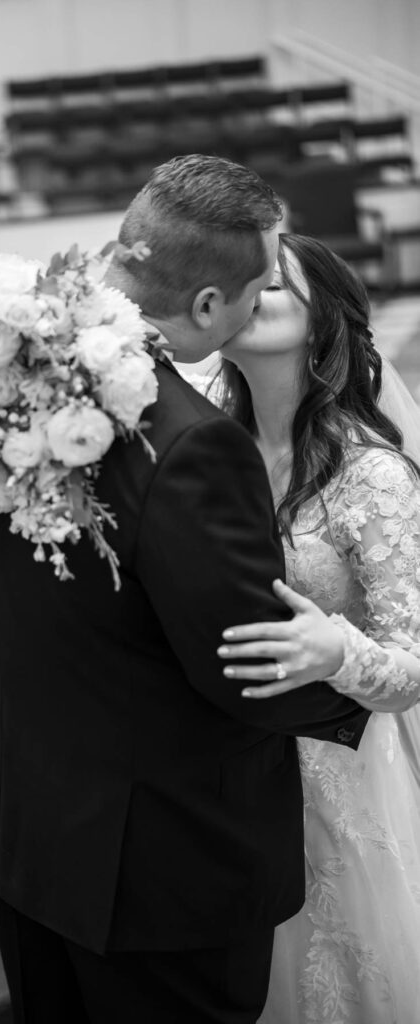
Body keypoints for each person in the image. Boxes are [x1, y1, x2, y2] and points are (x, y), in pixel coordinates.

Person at [0, 156, 369, 1024]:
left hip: (23, 822)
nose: (258, 309)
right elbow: (242, 666)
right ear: (208, 306)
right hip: (154, 867)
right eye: (255, 291)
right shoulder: (195, 444)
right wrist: (362, 678)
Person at [207, 232, 420, 1023]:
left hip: (340, 774)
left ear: (322, 316)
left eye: (269, 284)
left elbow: (414, 665)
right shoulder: (206, 450)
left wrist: (338, 649)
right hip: (228, 766)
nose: (243, 293)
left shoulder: (372, 474)